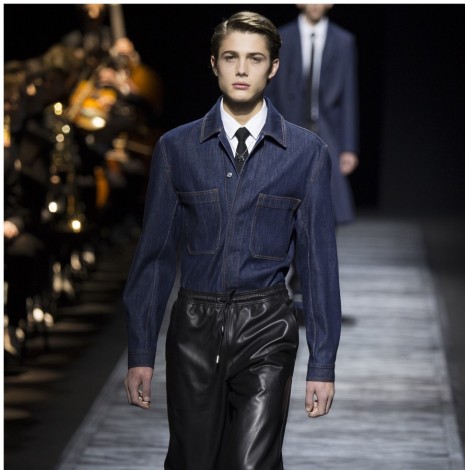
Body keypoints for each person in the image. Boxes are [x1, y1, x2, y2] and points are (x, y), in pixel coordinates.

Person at [123, 11, 341, 470]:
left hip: (267, 327)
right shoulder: (177, 149)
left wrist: (322, 364)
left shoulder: (306, 154)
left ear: (273, 67)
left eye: (254, 59)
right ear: (214, 63)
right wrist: (140, 351)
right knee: (193, 461)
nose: (242, 69)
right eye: (230, 57)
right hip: (194, 330)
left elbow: (318, 264)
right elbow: (155, 257)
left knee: (251, 464)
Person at [265, 4, 359, 226]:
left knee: (330, 201)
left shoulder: (343, 41)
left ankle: (323, 248)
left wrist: (348, 147)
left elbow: (349, 93)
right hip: (289, 123)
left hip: (327, 127)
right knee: (287, 196)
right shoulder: (281, 37)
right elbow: (272, 89)